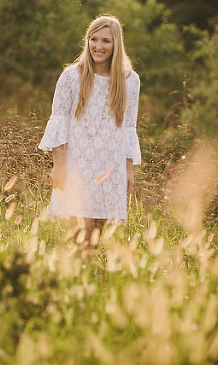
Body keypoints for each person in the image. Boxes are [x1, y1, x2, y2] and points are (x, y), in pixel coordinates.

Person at [38, 14, 141, 249]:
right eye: (93, 39)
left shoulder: (130, 81)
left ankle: (85, 279)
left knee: (95, 236)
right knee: (82, 235)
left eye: (105, 41)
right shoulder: (72, 77)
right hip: (78, 165)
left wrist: (128, 171)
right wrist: (59, 165)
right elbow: (60, 122)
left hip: (109, 167)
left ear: (116, 44)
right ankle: (77, 278)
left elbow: (128, 127)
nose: (98, 46)